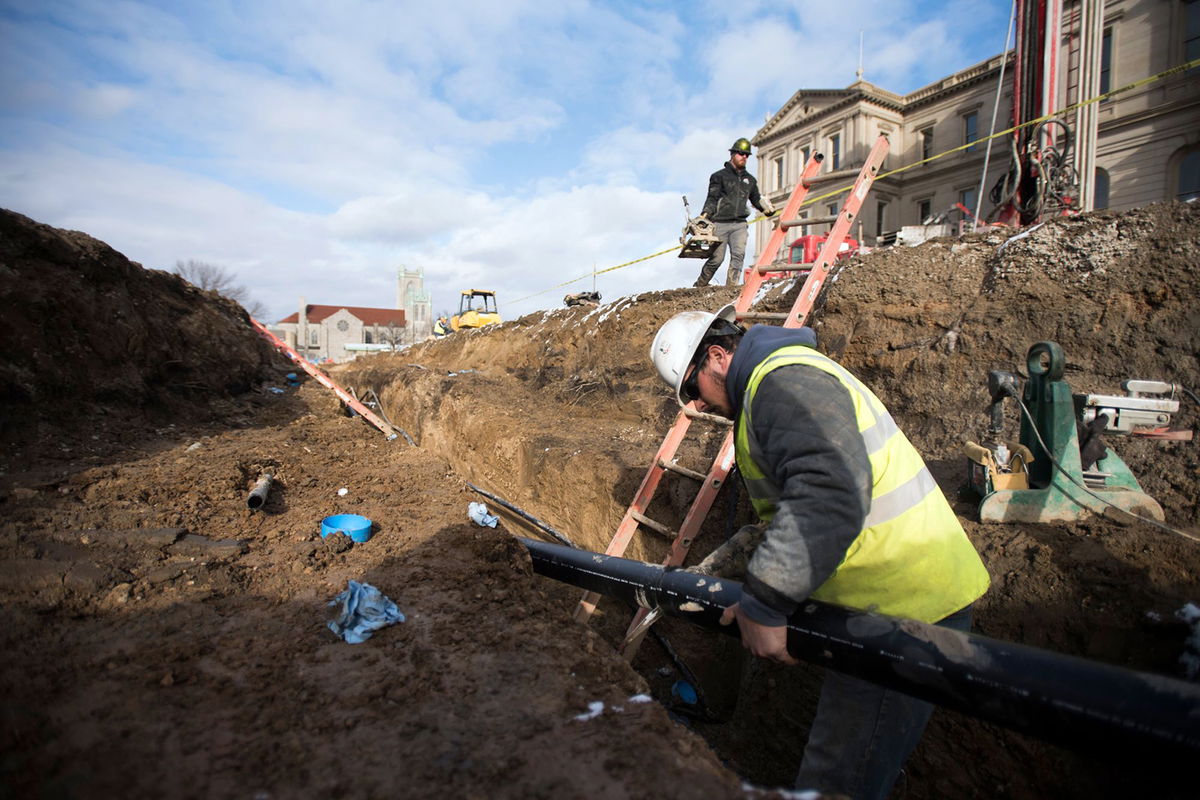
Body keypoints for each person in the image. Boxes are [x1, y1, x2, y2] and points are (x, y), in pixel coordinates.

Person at [649, 305, 991, 800]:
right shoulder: (778, 382)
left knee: (836, 783)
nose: (696, 407)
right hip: (892, 602)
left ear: (718, 357)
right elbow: (803, 500)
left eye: (692, 389)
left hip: (905, 612)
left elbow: (830, 491)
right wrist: (742, 556)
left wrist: (766, 603)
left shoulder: (782, 383)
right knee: (858, 771)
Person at [694, 138, 777, 288]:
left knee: (738, 256)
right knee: (717, 259)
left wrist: (767, 210)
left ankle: (730, 289)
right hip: (719, 223)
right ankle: (699, 285)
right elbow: (712, 198)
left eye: (747, 155)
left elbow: (756, 199)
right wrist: (704, 215)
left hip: (739, 224)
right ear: (732, 154)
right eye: (741, 153)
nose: (744, 157)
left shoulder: (750, 180)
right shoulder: (719, 176)